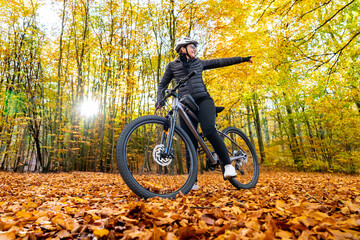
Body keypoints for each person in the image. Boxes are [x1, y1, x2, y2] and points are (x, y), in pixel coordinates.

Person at [156, 37, 253, 189]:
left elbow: (220, 62)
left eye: (195, 46)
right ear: (183, 49)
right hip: (185, 104)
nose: (195, 49)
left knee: (208, 130)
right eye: (192, 46)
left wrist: (242, 59)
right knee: (189, 142)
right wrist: (159, 99)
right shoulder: (172, 66)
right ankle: (192, 181)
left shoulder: (198, 62)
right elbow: (163, 84)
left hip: (203, 101)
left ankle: (228, 165)